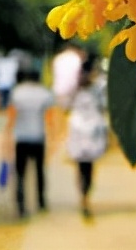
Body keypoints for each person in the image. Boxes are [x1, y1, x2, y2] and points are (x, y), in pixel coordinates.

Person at [7, 65, 54, 219]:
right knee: (39, 172)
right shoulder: (44, 93)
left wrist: (7, 135)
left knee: (21, 173)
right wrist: (53, 137)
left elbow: (12, 116)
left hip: (21, 136)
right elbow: (49, 117)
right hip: (38, 136)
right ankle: (41, 202)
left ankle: (21, 205)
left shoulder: (18, 92)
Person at [66, 58, 109, 219]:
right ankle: (85, 196)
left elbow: (66, 106)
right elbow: (104, 106)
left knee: (81, 167)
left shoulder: (76, 89)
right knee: (88, 168)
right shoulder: (97, 88)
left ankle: (83, 196)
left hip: (79, 131)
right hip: (91, 132)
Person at [50, 43, 84, 110]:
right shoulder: (76, 58)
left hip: (58, 89)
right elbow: (79, 75)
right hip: (72, 90)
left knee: (60, 112)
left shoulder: (58, 57)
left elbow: (53, 71)